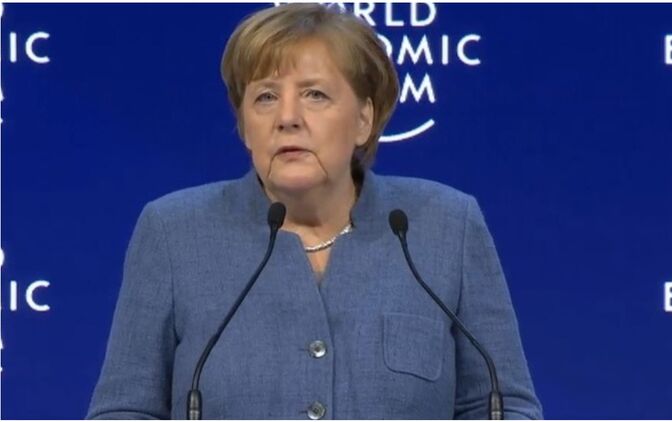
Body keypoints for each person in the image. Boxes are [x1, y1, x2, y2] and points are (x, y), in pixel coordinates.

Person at [87, 3, 542, 419]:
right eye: (265, 97)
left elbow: (504, 407)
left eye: (315, 95)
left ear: (363, 119)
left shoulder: (445, 225)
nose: (287, 117)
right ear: (244, 126)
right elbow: (123, 411)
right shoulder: (174, 232)